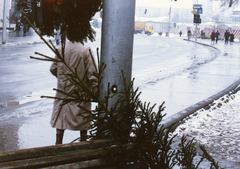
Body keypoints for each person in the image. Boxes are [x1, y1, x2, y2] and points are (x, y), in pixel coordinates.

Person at [50, 33, 97, 145]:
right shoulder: (85, 50)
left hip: (63, 92)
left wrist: (62, 78)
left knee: (61, 121)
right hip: (80, 93)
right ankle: (83, 144)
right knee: (83, 120)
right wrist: (94, 92)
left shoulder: (61, 48)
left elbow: (53, 68)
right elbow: (92, 74)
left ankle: (58, 146)